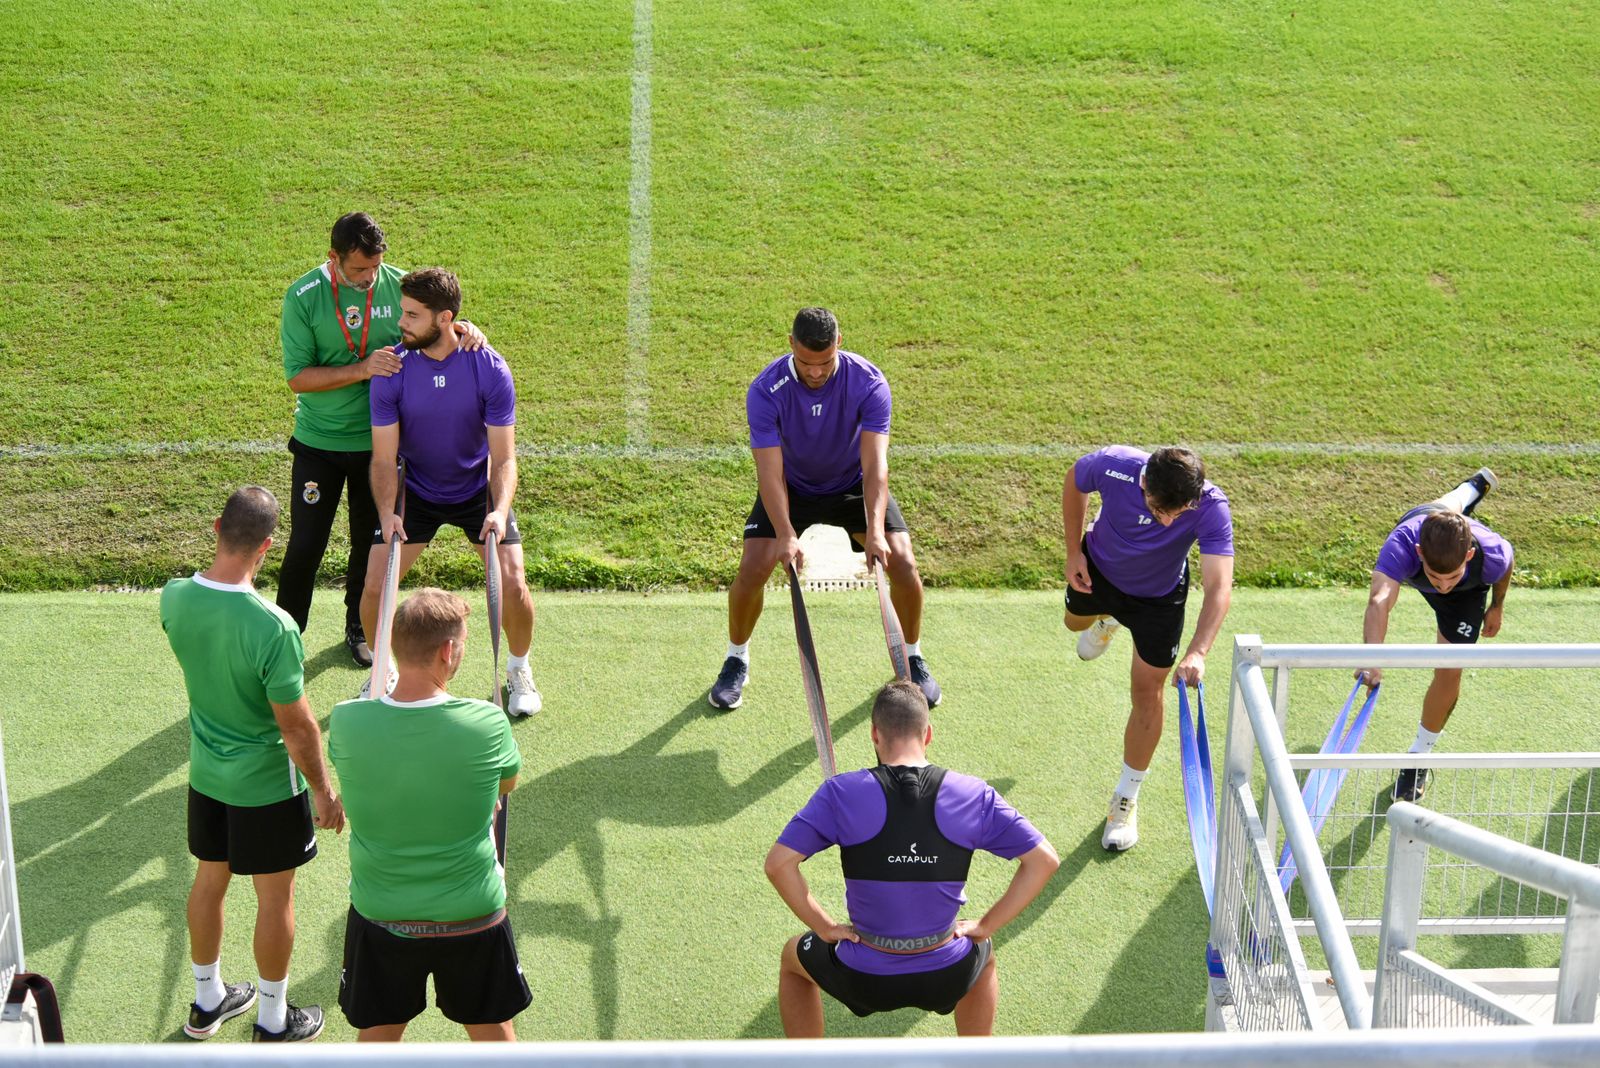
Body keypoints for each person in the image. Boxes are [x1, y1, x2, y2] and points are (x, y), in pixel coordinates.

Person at [764, 681, 1057, 1037]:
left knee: (792, 959)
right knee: (985, 953)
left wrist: (826, 928)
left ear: (874, 733)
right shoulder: (973, 793)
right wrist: (985, 925)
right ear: (928, 734)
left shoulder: (841, 793)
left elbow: (779, 864)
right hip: (948, 973)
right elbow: (1044, 861)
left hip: (863, 976)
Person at [159, 486, 345, 1043]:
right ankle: (271, 1017)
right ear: (267, 546)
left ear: (216, 526)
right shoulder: (274, 627)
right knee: (275, 897)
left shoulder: (173, 598)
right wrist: (323, 789)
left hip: (206, 776)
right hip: (265, 786)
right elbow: (297, 726)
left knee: (209, 880)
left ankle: (207, 998)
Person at [278, 212, 486, 668]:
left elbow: (432, 323)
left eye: (375, 267)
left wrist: (465, 328)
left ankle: (358, 627)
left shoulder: (396, 284)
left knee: (366, 544)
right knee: (305, 546)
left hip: (382, 446)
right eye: (359, 270)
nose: (370, 278)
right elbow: (297, 378)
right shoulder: (303, 297)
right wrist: (362, 368)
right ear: (333, 258)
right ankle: (285, 636)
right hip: (320, 444)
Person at [711, 307, 939, 711]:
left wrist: (872, 532)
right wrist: (784, 534)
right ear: (790, 346)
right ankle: (735, 658)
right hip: (792, 487)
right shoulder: (766, 390)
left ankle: (912, 657)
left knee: (902, 561)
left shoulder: (869, 383)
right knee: (752, 568)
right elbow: (769, 473)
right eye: (805, 363)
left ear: (840, 343)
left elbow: (875, 468)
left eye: (825, 363)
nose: (815, 373)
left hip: (852, 485)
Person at [329, 588, 528, 1041]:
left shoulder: (346, 721)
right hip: (473, 914)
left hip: (381, 914)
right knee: (495, 1039)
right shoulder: (488, 722)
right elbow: (506, 785)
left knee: (377, 1040)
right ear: (448, 651)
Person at [358, 267, 540, 715]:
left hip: (476, 488)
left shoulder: (489, 367)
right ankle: (384, 670)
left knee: (513, 583)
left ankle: (518, 668)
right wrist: (386, 515)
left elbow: (505, 458)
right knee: (375, 584)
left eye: (412, 316)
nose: (401, 323)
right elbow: (383, 460)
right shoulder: (392, 370)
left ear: (445, 319)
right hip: (417, 488)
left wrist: (499, 511)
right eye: (403, 312)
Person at [1061, 445, 1234, 852]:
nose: (1169, 521)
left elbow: (1218, 586)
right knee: (1074, 625)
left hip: (1159, 599)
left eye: (1179, 513)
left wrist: (1198, 652)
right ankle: (1109, 619)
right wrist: (1072, 551)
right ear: (1143, 483)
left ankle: (1126, 797)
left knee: (1146, 692)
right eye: (1160, 511)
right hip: (1098, 570)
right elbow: (1075, 480)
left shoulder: (1210, 507)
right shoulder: (1114, 466)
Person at [1357, 468, 1509, 802]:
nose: (1442, 586)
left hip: (1467, 597)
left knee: (1450, 668)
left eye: (1450, 577)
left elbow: (1505, 567)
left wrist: (1496, 606)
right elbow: (1379, 601)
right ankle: (1470, 489)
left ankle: (1418, 757)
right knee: (1443, 507)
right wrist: (1372, 659)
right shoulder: (1403, 544)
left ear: (1468, 556)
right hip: (1425, 522)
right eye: (1435, 578)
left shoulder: (1491, 553)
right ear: (1420, 554)